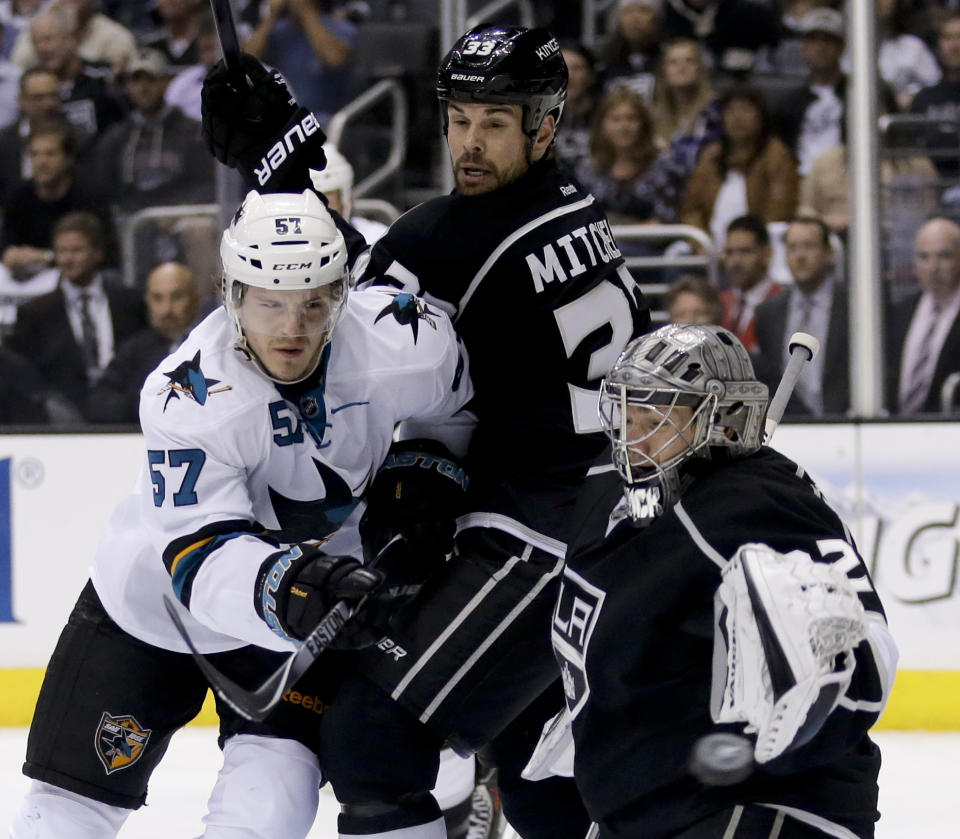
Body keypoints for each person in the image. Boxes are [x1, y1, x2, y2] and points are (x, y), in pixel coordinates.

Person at [200, 22, 650, 839]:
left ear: (544, 127)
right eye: (460, 118)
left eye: (495, 123)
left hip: (538, 541)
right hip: (603, 530)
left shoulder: (456, 239)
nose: (470, 143)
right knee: (534, 764)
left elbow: (320, 311)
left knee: (373, 738)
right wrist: (289, 156)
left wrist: (279, 167)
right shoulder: (574, 207)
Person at [11, 187, 475, 839]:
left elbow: (459, 400)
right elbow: (198, 559)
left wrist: (427, 467)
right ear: (233, 295)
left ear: (341, 295)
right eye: (270, 302)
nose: (291, 328)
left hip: (293, 616)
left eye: (313, 302)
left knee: (271, 805)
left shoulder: (402, 342)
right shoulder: (188, 395)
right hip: (155, 604)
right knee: (61, 815)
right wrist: (294, 583)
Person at [546, 322, 896, 838]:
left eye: (657, 418)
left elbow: (870, 657)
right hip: (650, 806)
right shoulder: (608, 488)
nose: (632, 437)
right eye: (627, 412)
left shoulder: (758, 506)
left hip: (774, 809)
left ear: (724, 422)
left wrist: (824, 672)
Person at [6, 211, 144, 418]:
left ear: (98, 253)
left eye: (77, 250)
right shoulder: (34, 313)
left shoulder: (128, 302)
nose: (68, 259)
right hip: (61, 421)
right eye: (62, 251)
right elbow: (25, 375)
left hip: (127, 414)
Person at [680, 85, 798, 248]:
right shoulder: (711, 155)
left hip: (758, 249)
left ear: (761, 116)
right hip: (710, 248)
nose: (738, 118)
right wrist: (702, 247)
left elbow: (779, 211)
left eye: (745, 110)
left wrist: (749, 248)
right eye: (731, 111)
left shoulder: (776, 154)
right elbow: (692, 211)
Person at [753, 216, 848, 417]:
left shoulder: (853, 306)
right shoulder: (768, 313)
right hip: (787, 427)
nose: (800, 256)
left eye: (809, 246)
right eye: (792, 248)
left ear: (829, 253)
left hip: (844, 424)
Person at [87, 261, 203, 425]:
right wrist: (147, 401)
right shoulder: (134, 350)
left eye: (176, 297)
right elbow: (100, 403)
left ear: (195, 299)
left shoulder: (213, 345)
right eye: (157, 298)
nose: (166, 309)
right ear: (147, 301)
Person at [574, 86, 681, 226]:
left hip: (649, 244)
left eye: (631, 118)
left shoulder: (662, 165)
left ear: (643, 124)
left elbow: (666, 219)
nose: (623, 127)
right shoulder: (588, 168)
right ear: (602, 125)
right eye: (615, 119)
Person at [244, 0, 358, 127]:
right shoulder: (278, 31)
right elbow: (244, 63)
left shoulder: (340, 28)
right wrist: (271, 17)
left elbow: (334, 58)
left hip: (323, 121)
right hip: (282, 120)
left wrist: (305, 10)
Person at [888, 216, 960, 416]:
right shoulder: (899, 312)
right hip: (893, 431)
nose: (933, 267)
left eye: (944, 256)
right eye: (924, 257)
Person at [719, 214, 783, 354]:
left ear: (767, 253)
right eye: (729, 252)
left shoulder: (783, 303)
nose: (735, 261)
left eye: (745, 251)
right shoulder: (719, 303)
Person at [310, 141, 388, 245]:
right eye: (311, 200)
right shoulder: (292, 245)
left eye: (325, 198)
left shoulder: (376, 239)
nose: (318, 209)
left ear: (346, 199)